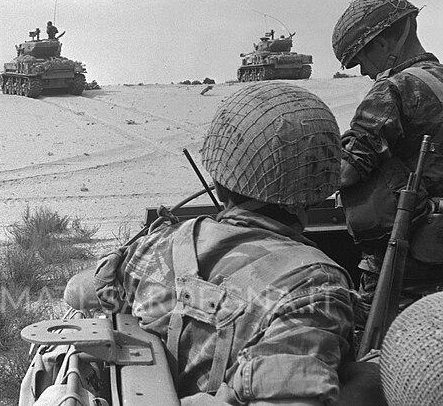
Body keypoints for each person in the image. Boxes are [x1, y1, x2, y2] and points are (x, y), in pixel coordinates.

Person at [95, 83, 354, 403]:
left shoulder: (160, 244)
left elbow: (86, 290)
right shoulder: (316, 284)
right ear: (320, 191)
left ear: (218, 185)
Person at [332, 0, 443, 324]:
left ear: (384, 42)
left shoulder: (392, 90)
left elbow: (346, 171)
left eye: (362, 58)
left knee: (389, 350)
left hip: (407, 264)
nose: (365, 70)